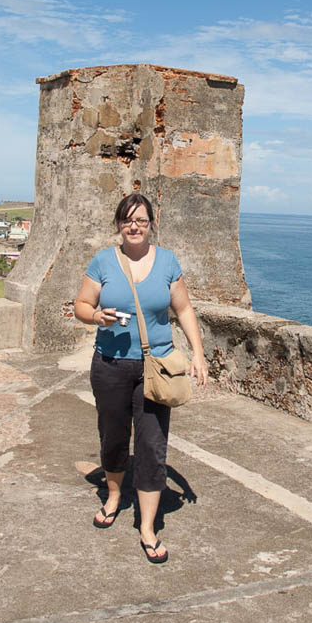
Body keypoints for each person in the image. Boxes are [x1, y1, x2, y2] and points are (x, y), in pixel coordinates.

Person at [74, 192, 208, 564]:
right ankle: (115, 495)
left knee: (152, 445)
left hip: (156, 368)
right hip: (111, 365)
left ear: (151, 225)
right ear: (119, 224)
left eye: (141, 221)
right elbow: (81, 306)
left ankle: (148, 526)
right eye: (128, 220)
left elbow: (183, 309)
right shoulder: (103, 261)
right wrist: (96, 317)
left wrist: (198, 353)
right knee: (113, 437)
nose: (134, 226)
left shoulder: (167, 262)